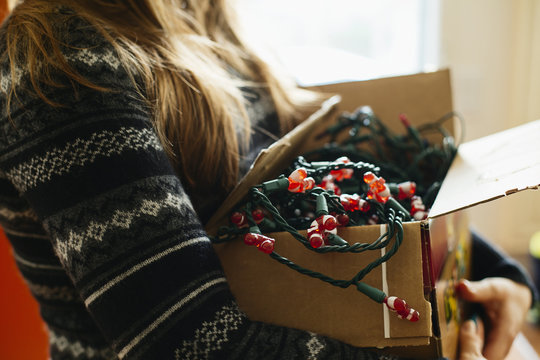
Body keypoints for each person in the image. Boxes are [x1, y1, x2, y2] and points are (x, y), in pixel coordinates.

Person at [0, 1, 536, 359]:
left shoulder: (202, 17)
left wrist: (494, 275)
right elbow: (190, 343)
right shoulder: (59, 61)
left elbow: (319, 178)